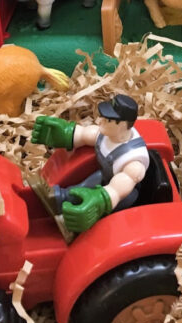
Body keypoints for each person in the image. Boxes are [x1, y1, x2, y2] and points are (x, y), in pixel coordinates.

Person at [30, 94, 148, 232]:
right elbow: (84, 135)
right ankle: (57, 199)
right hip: (105, 177)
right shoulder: (107, 135)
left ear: (122, 126)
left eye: (108, 119)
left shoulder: (133, 161)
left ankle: (76, 230)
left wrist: (100, 201)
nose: (100, 121)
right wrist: (66, 134)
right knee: (83, 187)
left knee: (98, 211)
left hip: (122, 197)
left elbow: (119, 188)